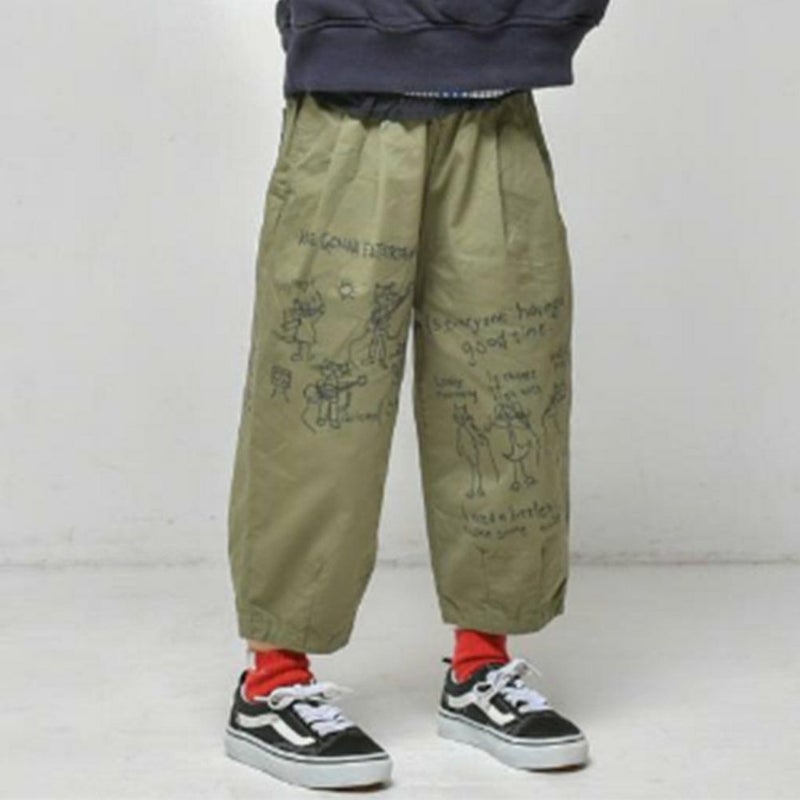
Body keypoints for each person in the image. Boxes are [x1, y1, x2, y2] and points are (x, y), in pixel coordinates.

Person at [223, 0, 612, 789]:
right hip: (350, 109)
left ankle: (481, 667)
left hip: (499, 111)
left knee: (508, 391)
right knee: (320, 404)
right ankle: (271, 681)